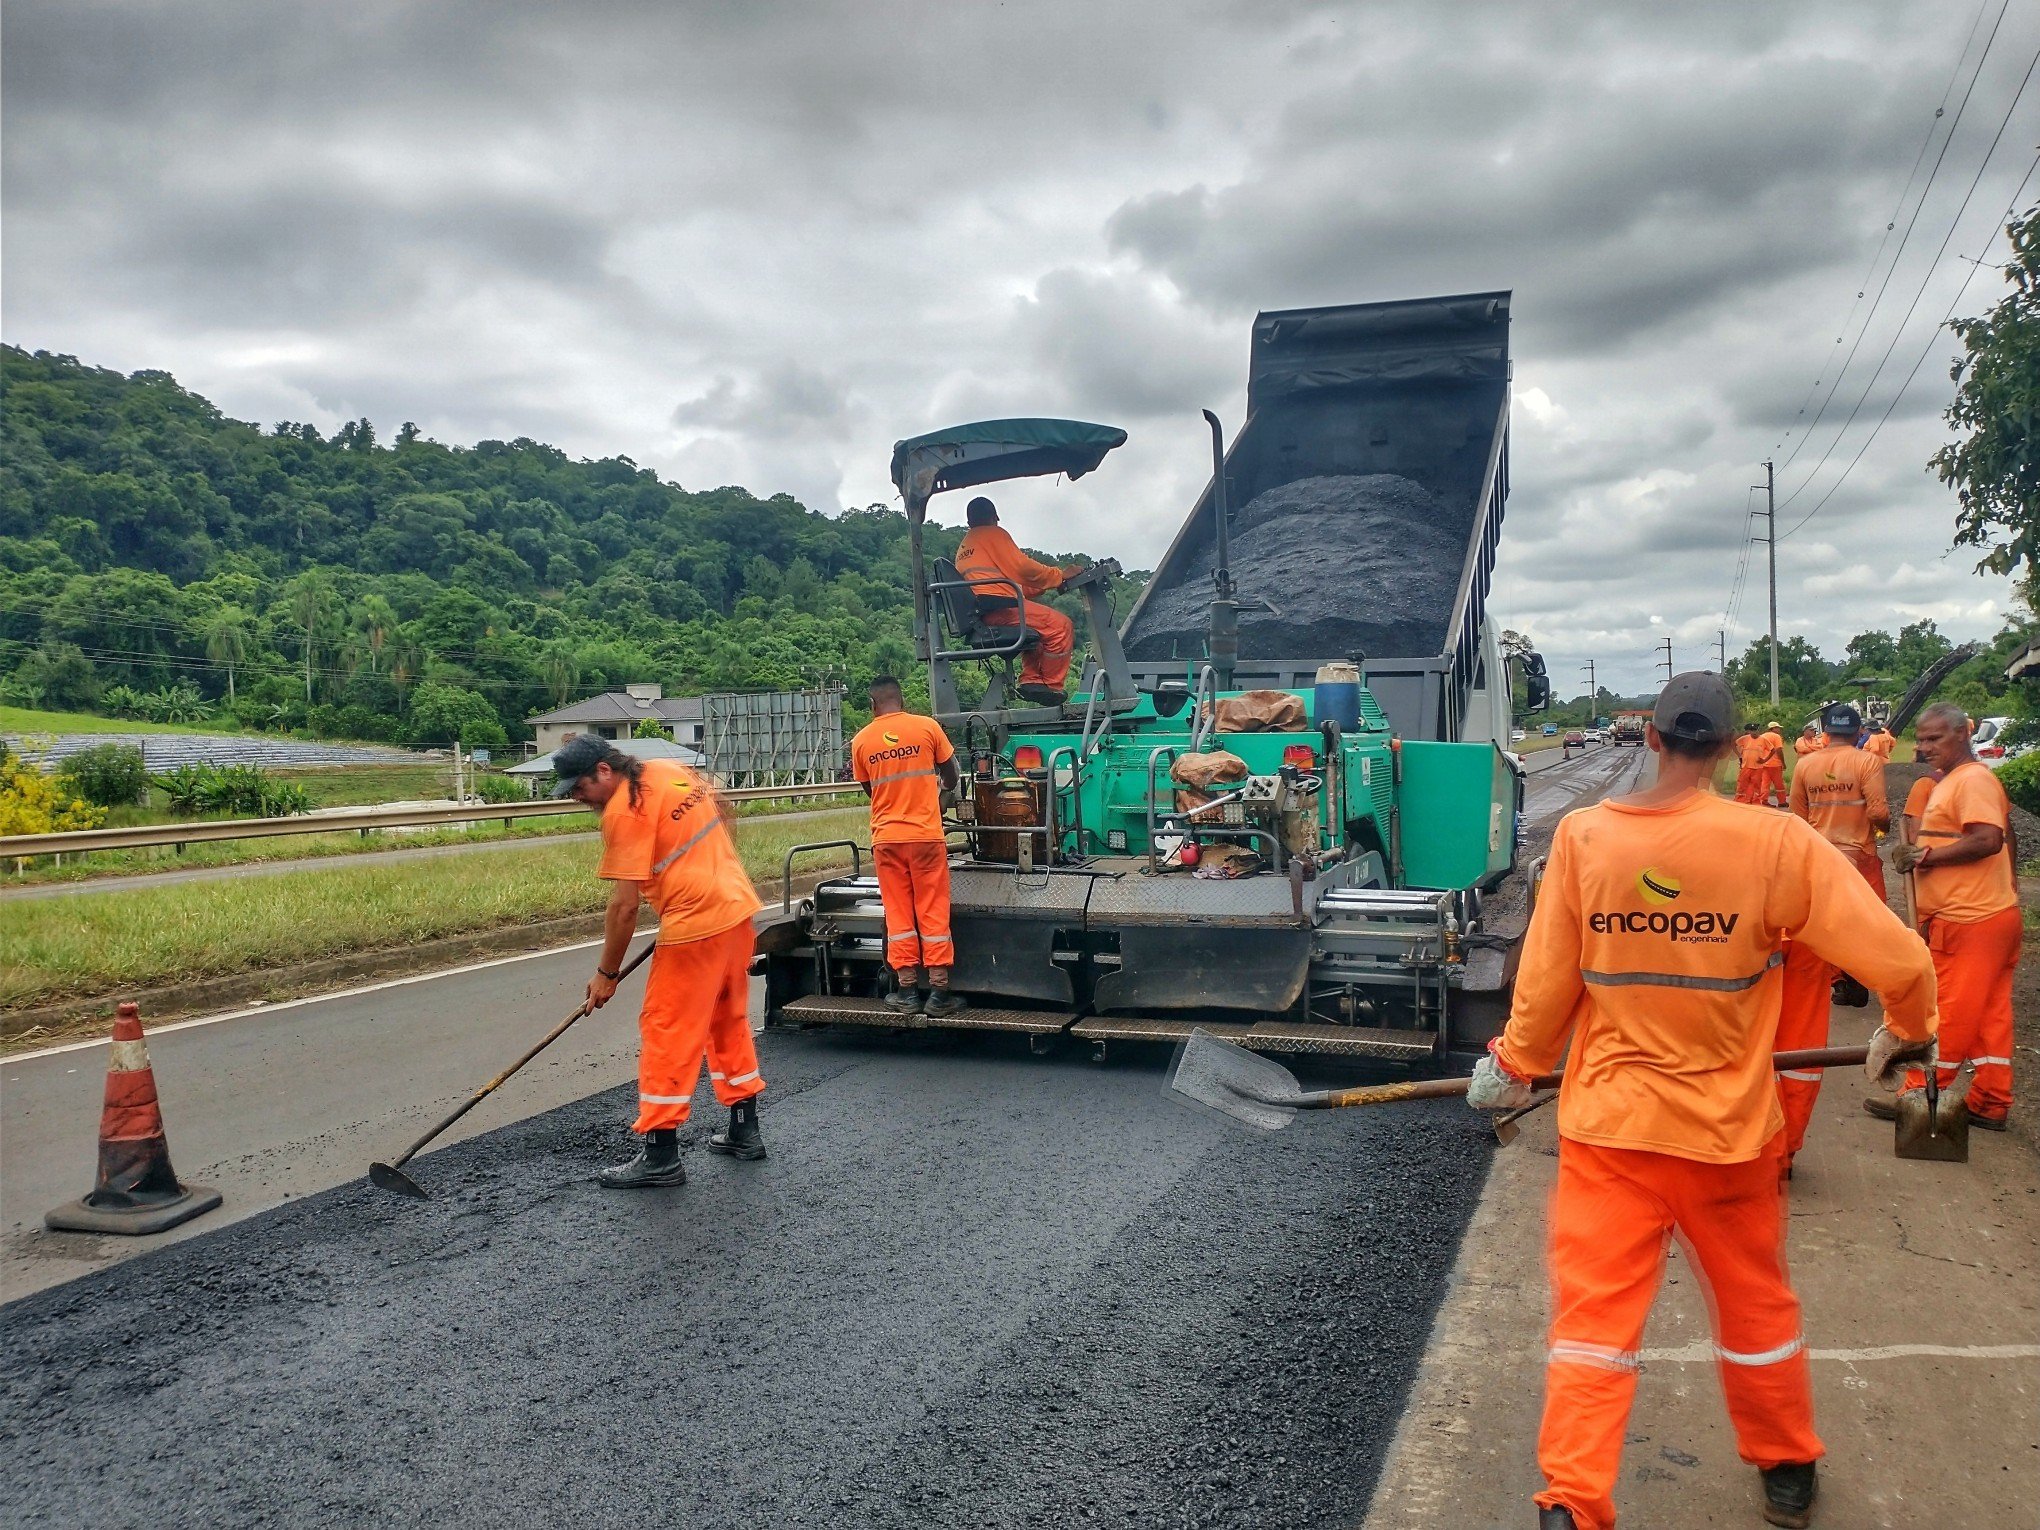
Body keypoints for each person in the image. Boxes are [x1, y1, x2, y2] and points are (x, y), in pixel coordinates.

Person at [1466, 672, 1938, 1530]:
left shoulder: (1584, 839)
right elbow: (1898, 961)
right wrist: (1906, 1028)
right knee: (1757, 1311)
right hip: (1727, 1137)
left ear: (1650, 739)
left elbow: (1546, 981)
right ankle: (1787, 1470)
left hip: (1611, 1132)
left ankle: (1570, 1501)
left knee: (1593, 1328)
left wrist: (1518, 1061)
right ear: (1730, 749)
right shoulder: (1775, 845)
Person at [555, 736, 767, 1187]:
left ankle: (660, 1154)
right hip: (735, 908)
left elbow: (624, 908)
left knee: (666, 1028)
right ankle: (745, 1131)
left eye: (579, 787)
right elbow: (722, 809)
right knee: (726, 1019)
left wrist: (606, 975)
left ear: (605, 771)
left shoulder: (621, 813)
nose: (576, 797)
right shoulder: (667, 770)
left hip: (696, 926)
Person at [1882, 702, 2019, 1132]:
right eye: (1920, 739)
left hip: (1970, 919)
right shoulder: (1954, 781)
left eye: (1933, 739)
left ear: (1963, 734)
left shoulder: (1973, 780)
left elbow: (1988, 839)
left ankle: (1919, 1096)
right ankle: (1991, 1100)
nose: (1924, 747)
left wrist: (1926, 856)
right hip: (1989, 916)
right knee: (1988, 1017)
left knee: (1952, 1013)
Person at [1776, 702, 1891, 1169]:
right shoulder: (1868, 761)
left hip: (1819, 863)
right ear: (1859, 730)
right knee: (1869, 931)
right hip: (1858, 858)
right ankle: (1860, 983)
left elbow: (1796, 818)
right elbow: (1880, 811)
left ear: (1823, 731)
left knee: (1820, 935)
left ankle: (1840, 980)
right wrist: (1878, 827)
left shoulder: (1805, 764)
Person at [850, 676, 966, 1018]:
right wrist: (938, 795)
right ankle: (940, 993)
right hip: (926, 836)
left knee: (899, 912)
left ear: (873, 705)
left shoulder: (861, 741)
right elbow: (952, 775)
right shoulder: (926, 728)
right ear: (902, 700)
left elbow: (871, 791)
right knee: (932, 906)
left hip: (887, 839)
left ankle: (906, 991)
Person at [955, 496, 1081, 705]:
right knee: (1060, 626)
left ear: (969, 522)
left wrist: (1049, 584)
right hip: (1000, 608)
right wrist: (1059, 574)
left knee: (1040, 631)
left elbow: (1004, 582)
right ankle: (1050, 685)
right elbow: (1023, 568)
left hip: (987, 610)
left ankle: (1032, 680)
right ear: (995, 517)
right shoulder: (993, 534)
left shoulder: (965, 547)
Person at [1755, 721, 1787, 808]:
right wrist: (1783, 763)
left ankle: (1763, 800)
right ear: (1773, 728)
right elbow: (1779, 750)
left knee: (1765, 783)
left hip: (1764, 764)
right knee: (1779, 784)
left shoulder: (1762, 736)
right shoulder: (1776, 736)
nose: (1779, 729)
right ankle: (1782, 801)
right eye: (1778, 728)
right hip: (1775, 764)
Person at [1733, 723, 1766, 803]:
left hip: (1757, 767)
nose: (1752, 732)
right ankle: (1740, 800)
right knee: (1742, 783)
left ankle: (1753, 800)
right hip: (1745, 765)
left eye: (1754, 730)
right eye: (1751, 730)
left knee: (1755, 785)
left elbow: (1772, 749)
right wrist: (1739, 756)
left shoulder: (1762, 739)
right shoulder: (1744, 738)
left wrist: (1764, 760)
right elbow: (1734, 744)